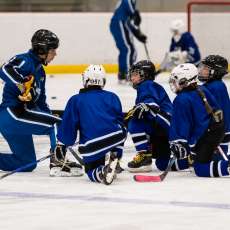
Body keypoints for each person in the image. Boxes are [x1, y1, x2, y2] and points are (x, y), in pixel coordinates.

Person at [0, 29, 81, 177]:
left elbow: (41, 101)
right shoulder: (25, 60)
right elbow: (5, 69)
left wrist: (49, 117)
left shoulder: (40, 72)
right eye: (52, 50)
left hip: (14, 119)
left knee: (26, 162)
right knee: (56, 124)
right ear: (42, 50)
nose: (55, 54)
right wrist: (22, 82)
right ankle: (58, 162)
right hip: (12, 114)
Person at [54, 64, 127, 185]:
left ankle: (102, 171)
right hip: (115, 137)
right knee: (121, 129)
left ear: (85, 80)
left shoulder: (75, 100)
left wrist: (62, 144)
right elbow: (119, 120)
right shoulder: (113, 97)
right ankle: (116, 156)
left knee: (91, 171)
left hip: (92, 145)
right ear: (102, 81)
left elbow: (68, 128)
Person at [169, 63, 230, 177]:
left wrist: (179, 142)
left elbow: (182, 124)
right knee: (212, 159)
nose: (173, 83)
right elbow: (215, 109)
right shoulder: (201, 89)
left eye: (176, 80)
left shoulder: (181, 100)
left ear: (184, 81)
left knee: (201, 169)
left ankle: (227, 167)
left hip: (207, 134)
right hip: (216, 128)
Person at [126, 60, 174, 172]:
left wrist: (143, 107)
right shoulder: (149, 86)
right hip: (166, 128)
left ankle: (144, 156)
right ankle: (189, 160)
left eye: (136, 74)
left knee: (134, 121)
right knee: (162, 164)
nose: (132, 77)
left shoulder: (147, 85)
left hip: (165, 123)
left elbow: (152, 105)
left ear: (145, 75)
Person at [198, 55, 230, 159]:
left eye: (206, 69)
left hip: (219, 136)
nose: (201, 70)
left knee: (208, 163)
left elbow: (215, 113)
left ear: (216, 72)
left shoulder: (216, 87)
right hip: (218, 133)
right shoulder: (212, 85)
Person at [110, 0, 147, 84]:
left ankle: (122, 74)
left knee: (127, 49)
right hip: (119, 23)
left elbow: (130, 21)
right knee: (128, 49)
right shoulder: (129, 2)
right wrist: (135, 14)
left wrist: (138, 34)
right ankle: (129, 74)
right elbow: (131, 14)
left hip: (120, 23)